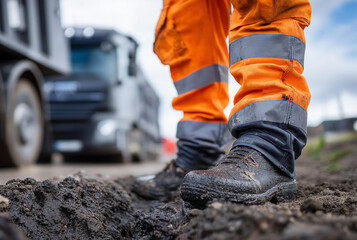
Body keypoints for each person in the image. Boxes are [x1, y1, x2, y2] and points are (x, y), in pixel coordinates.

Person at [132, 0, 312, 207]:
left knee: (263, 5)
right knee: (189, 15)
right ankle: (199, 150)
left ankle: (270, 143)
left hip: (273, 136)